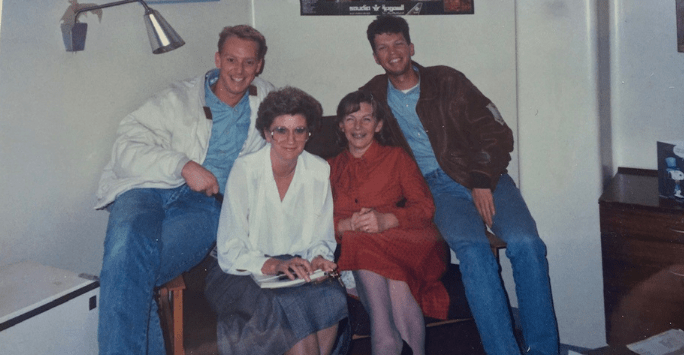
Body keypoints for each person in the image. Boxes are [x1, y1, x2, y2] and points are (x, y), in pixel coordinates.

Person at [359, 15, 559, 355]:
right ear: (376, 57)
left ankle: (544, 350)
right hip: (436, 190)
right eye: (382, 48)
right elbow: (359, 141)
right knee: (474, 253)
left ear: (410, 47)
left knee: (527, 244)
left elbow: (496, 131)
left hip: (482, 177)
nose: (392, 53)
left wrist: (480, 179)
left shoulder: (447, 80)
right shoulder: (373, 96)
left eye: (397, 44)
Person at [94, 25, 274, 354]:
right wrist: (182, 165)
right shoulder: (178, 98)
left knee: (127, 274)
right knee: (129, 260)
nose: (239, 70)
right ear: (218, 59)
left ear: (259, 65)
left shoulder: (267, 102)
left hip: (205, 205)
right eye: (231, 60)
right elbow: (125, 147)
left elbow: (283, 153)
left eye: (248, 62)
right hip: (146, 189)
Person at [204, 87, 349, 355]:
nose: (291, 139)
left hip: (293, 271)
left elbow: (322, 236)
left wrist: (318, 257)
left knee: (331, 297)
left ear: (309, 133)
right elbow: (230, 248)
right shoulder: (245, 170)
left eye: (299, 130)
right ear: (266, 133)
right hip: (239, 270)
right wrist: (274, 265)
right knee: (289, 309)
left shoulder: (318, 170)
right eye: (281, 130)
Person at [328, 90, 450, 355]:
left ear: (379, 125)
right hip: (363, 247)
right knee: (373, 257)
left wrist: (388, 219)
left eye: (367, 119)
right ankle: (395, 343)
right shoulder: (328, 168)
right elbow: (317, 220)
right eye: (350, 119)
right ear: (340, 124)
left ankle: (385, 341)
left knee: (361, 243)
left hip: (406, 240)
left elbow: (425, 207)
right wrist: (347, 224)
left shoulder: (396, 158)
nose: (358, 127)